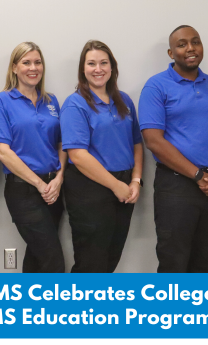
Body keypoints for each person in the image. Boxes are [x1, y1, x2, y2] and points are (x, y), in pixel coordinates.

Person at [139, 25, 208, 273]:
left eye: (196, 42)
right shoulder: (156, 86)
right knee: (174, 263)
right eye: (182, 44)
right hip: (177, 186)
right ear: (171, 53)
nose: (190, 48)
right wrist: (197, 175)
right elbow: (153, 141)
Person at [60, 40, 143, 273]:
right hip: (91, 189)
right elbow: (77, 155)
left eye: (103, 63)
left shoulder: (124, 100)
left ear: (112, 67)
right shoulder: (75, 104)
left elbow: (136, 143)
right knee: (91, 263)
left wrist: (135, 181)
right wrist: (116, 186)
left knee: (111, 260)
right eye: (91, 63)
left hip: (124, 187)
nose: (98, 69)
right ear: (82, 69)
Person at [0, 42, 66, 273]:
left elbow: (62, 143)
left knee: (37, 258)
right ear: (14, 67)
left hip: (54, 189)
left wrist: (59, 178)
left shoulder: (51, 101)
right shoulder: (2, 101)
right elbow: (2, 151)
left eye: (38, 62)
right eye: (26, 62)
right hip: (24, 191)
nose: (33, 68)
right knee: (53, 262)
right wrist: (40, 184)